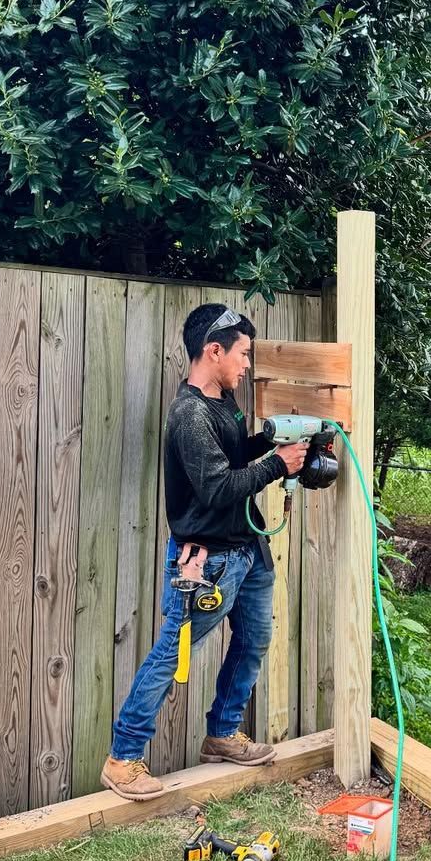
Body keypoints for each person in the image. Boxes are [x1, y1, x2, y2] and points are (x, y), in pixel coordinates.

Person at [100, 304, 309, 800]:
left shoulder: (224, 405)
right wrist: (279, 464)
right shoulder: (190, 413)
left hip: (247, 549)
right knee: (172, 653)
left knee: (255, 639)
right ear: (213, 352)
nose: (245, 365)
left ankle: (222, 733)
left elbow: (232, 458)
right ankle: (123, 758)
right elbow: (216, 487)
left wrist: (272, 439)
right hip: (208, 560)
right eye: (242, 355)